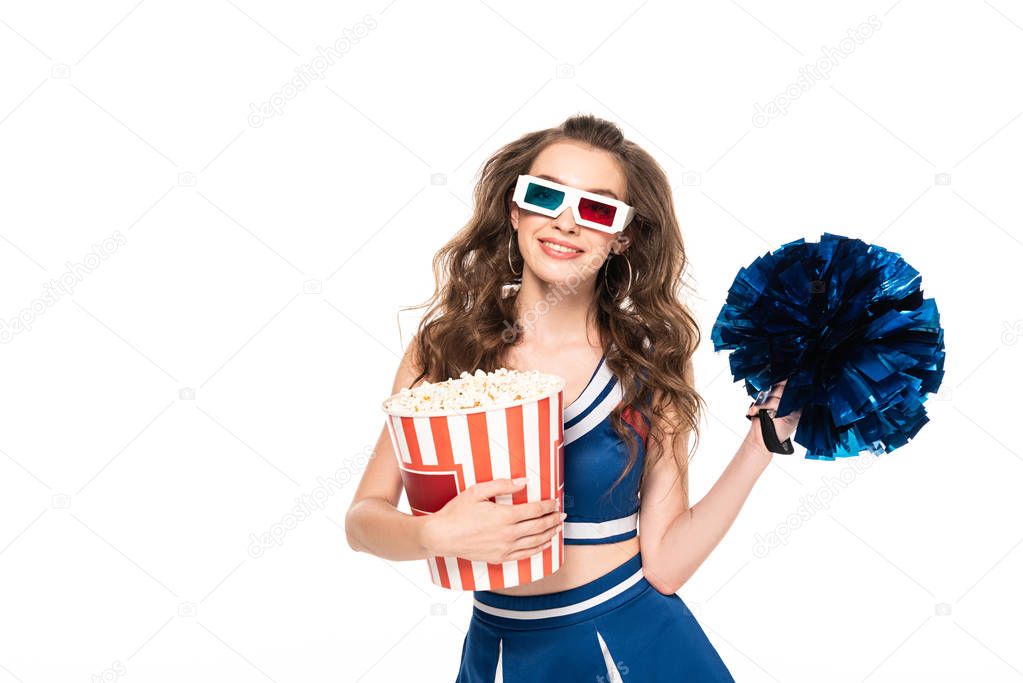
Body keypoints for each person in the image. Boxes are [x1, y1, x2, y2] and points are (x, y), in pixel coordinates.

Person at [345, 113, 801, 681]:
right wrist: (428, 534)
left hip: (639, 642)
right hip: (501, 652)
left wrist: (762, 443)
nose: (566, 222)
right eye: (546, 195)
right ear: (515, 210)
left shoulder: (647, 358)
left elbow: (665, 564)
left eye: (598, 208)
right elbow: (362, 521)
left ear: (621, 237)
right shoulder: (444, 350)